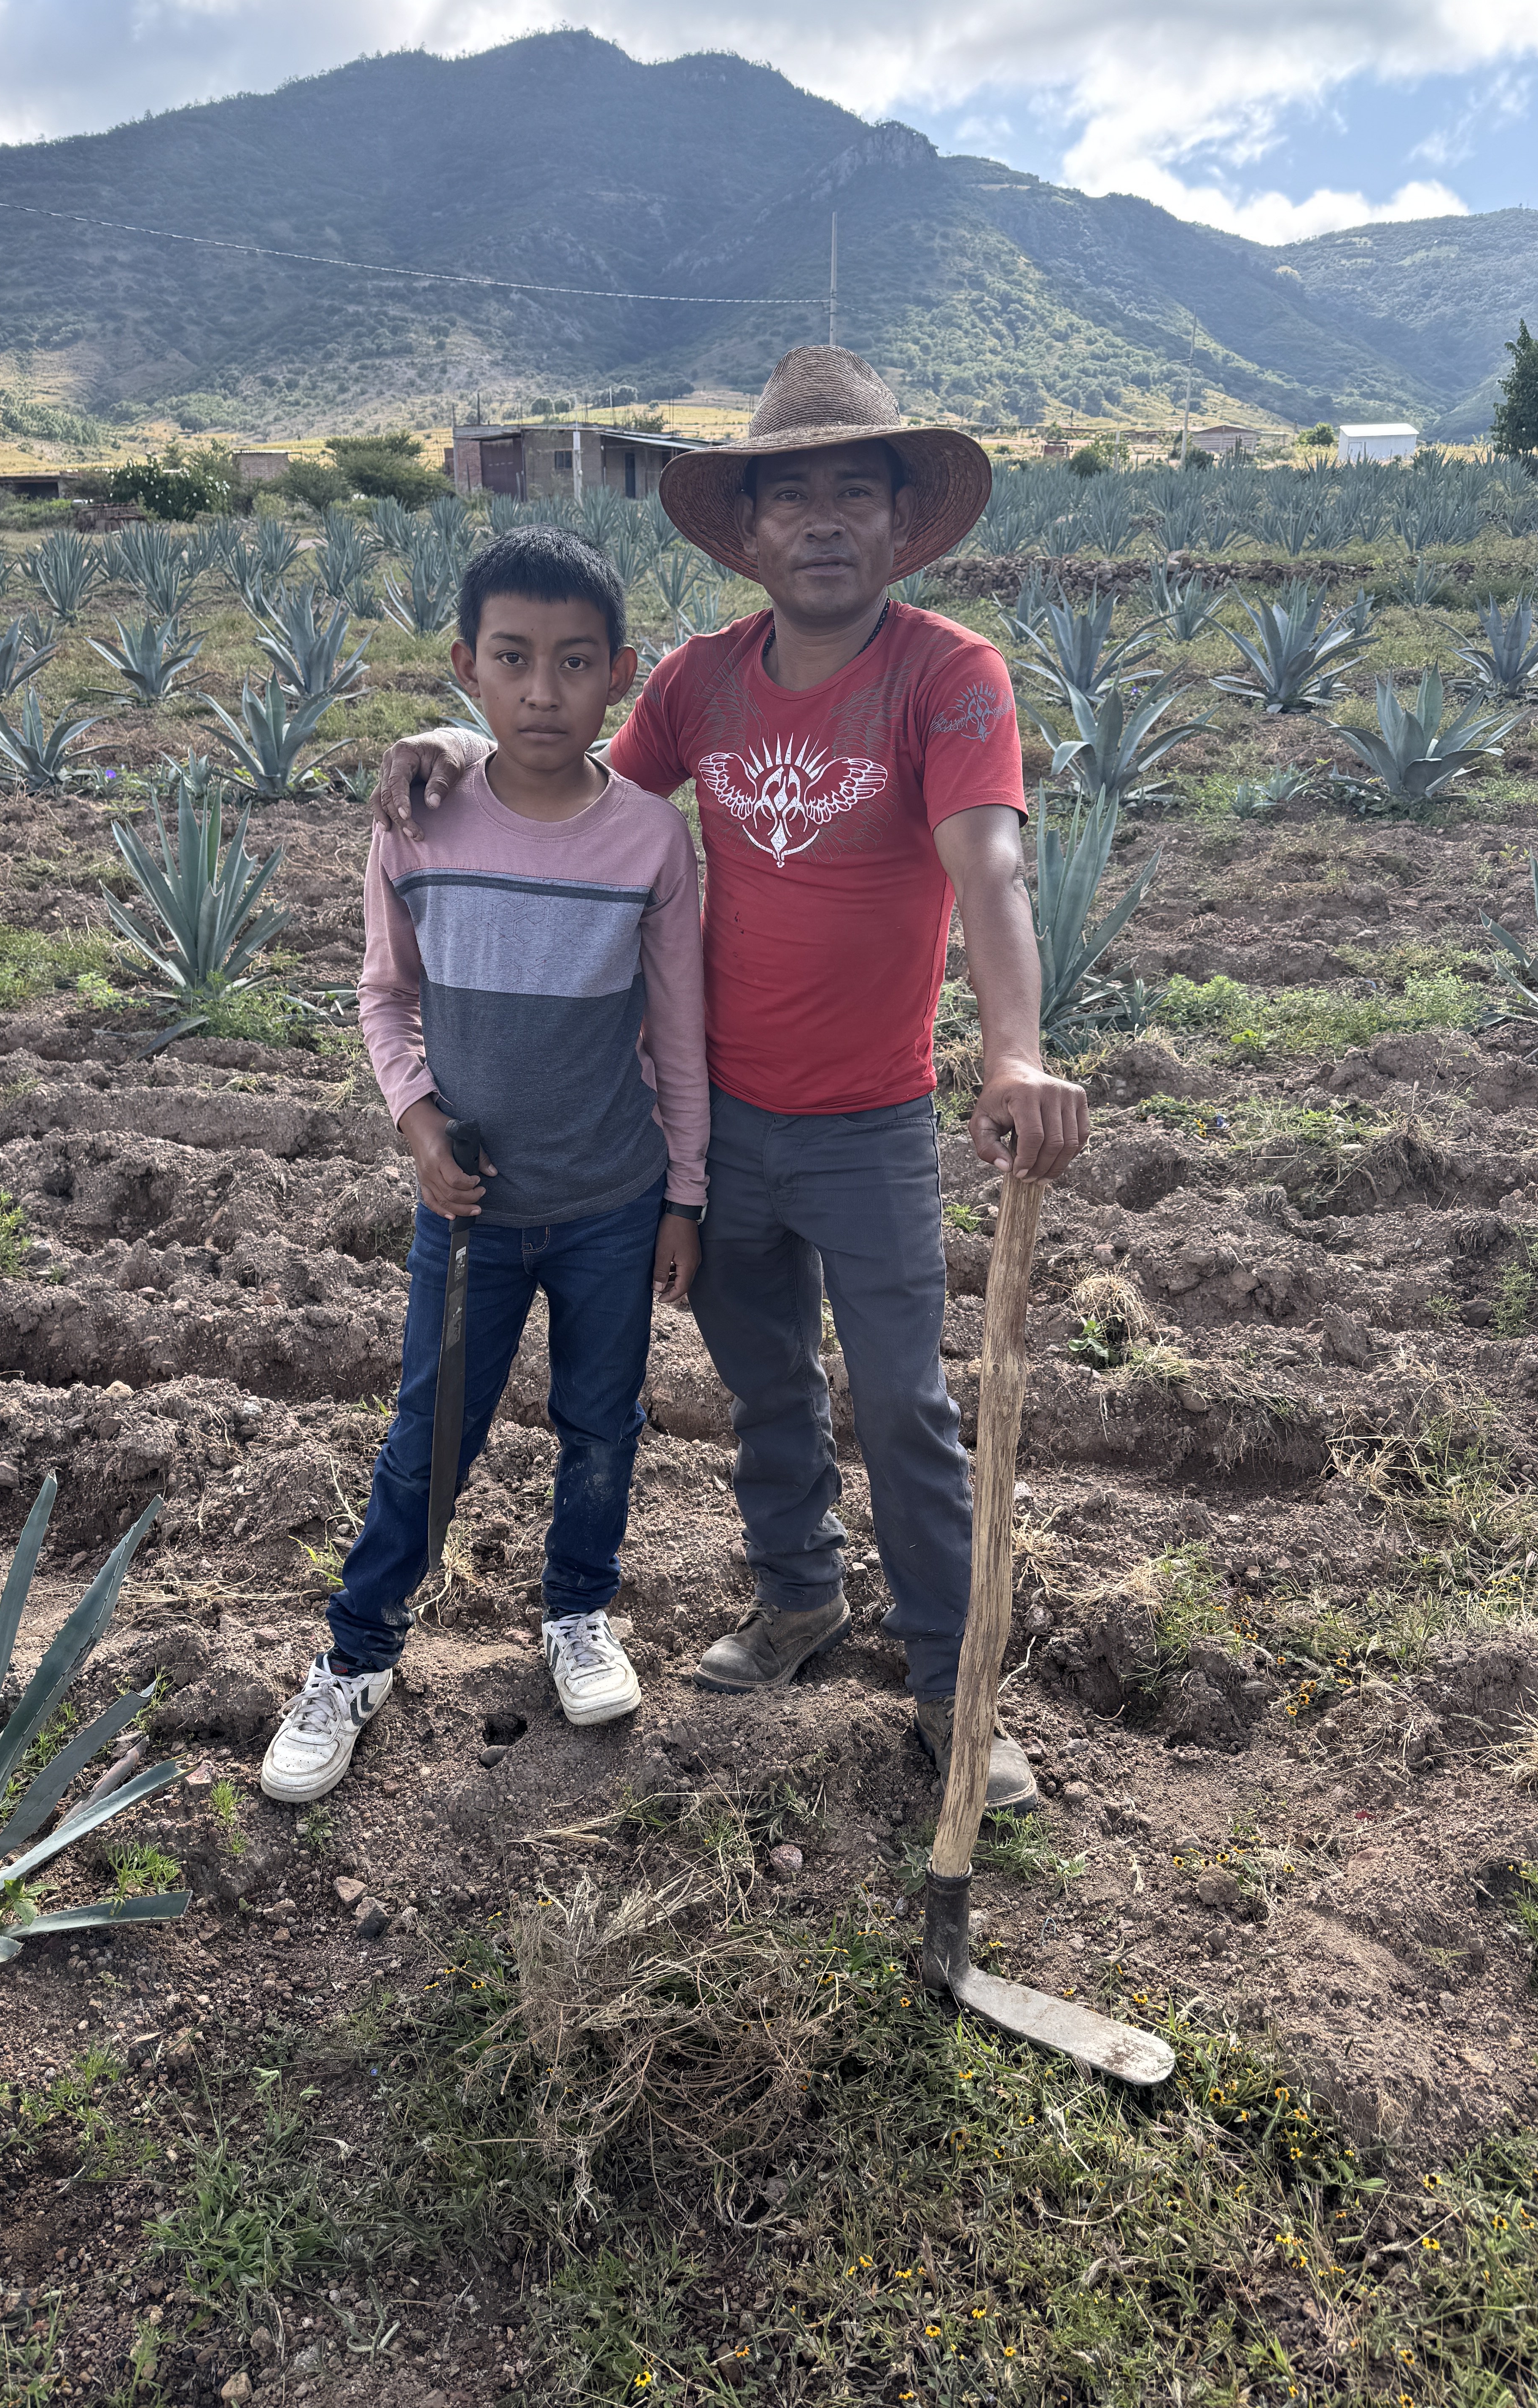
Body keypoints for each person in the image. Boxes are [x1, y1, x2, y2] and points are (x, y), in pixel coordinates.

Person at [372, 347, 1089, 1812]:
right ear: (748, 531)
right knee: (764, 1381)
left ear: (902, 522)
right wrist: (457, 739)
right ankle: (799, 1596)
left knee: (903, 1407)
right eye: (792, 496)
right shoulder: (700, 682)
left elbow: (991, 864)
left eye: (855, 493)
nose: (823, 522)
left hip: (874, 1122)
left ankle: (953, 1690)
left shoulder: (951, 679)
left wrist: (1013, 1045)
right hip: (712, 1119)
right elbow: (570, 779)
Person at [261, 526, 708, 1804]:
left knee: (603, 1425)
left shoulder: (650, 845)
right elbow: (385, 997)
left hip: (614, 1203)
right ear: (466, 665)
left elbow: (678, 1038)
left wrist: (685, 1194)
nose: (541, 692)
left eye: (574, 664)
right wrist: (416, 1126)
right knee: (429, 1439)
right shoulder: (422, 820)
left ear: (619, 676)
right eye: (511, 660)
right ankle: (356, 1657)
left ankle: (578, 1613)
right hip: (469, 1214)